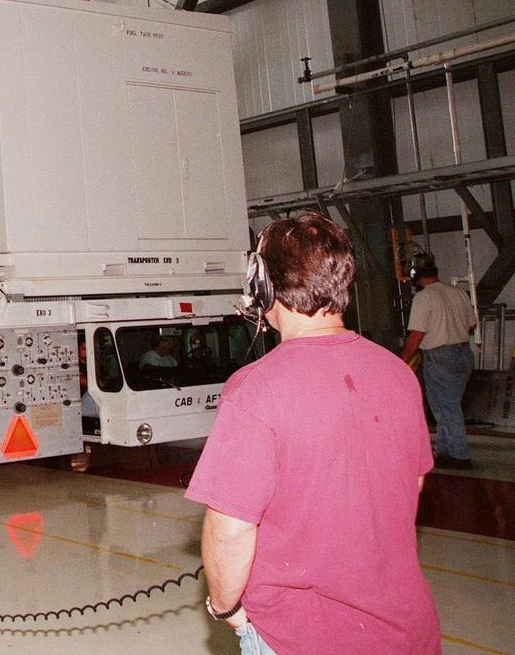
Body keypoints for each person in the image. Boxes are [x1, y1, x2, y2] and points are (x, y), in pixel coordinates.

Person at [186, 213, 440, 655]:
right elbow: (410, 485)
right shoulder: (397, 373)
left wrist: (228, 610)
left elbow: (230, 528)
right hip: (404, 631)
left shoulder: (256, 388)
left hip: (302, 636)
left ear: (263, 286)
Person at [400, 254, 478, 469]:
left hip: (440, 358)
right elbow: (471, 324)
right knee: (446, 406)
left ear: (416, 276)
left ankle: (459, 455)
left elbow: (416, 336)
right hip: (463, 355)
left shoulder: (423, 298)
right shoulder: (457, 292)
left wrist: (402, 361)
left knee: (447, 408)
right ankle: (444, 448)